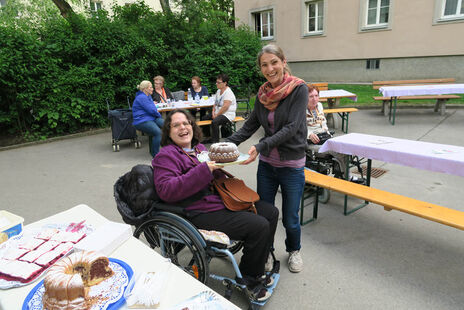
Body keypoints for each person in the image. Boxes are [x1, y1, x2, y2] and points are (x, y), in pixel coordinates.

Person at [152, 109, 278, 302]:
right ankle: (249, 279)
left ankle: (259, 261)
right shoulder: (166, 156)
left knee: (270, 212)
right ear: (168, 132)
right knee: (258, 226)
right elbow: (166, 190)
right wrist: (205, 170)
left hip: (220, 200)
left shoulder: (200, 149)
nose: (183, 127)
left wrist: (221, 166)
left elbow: (215, 176)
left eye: (186, 123)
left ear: (192, 127)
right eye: (176, 125)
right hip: (197, 211)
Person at [227, 44, 307, 273]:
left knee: (290, 217)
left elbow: (292, 127)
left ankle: (294, 250)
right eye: (264, 64)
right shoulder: (262, 95)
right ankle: (267, 252)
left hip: (291, 166)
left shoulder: (298, 90)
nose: (270, 68)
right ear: (260, 68)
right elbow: (249, 126)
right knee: (264, 214)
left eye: (274, 62)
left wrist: (261, 146)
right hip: (267, 167)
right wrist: (223, 145)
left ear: (283, 62)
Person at [306, 85, 364, 183]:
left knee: (346, 145)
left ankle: (341, 174)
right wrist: (309, 134)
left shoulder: (319, 106)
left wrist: (327, 133)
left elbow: (322, 123)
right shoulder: (300, 110)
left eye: (316, 96)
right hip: (312, 142)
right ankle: (346, 177)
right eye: (311, 96)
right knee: (340, 151)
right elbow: (297, 128)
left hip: (325, 137)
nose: (314, 99)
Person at [132, 80, 164, 158]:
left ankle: (173, 149)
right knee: (158, 133)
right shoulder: (142, 97)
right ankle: (156, 156)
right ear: (145, 89)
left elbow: (153, 108)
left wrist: (158, 116)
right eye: (151, 87)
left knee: (167, 125)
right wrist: (159, 116)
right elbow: (152, 110)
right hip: (141, 120)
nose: (153, 88)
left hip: (150, 118)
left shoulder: (148, 96)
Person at [201, 73, 237, 143]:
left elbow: (225, 107)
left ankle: (215, 141)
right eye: (216, 82)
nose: (216, 84)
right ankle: (208, 137)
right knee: (204, 118)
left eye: (218, 82)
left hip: (227, 114)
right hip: (218, 112)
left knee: (215, 122)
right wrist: (213, 112)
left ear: (225, 83)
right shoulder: (218, 91)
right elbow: (215, 103)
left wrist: (216, 115)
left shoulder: (228, 93)